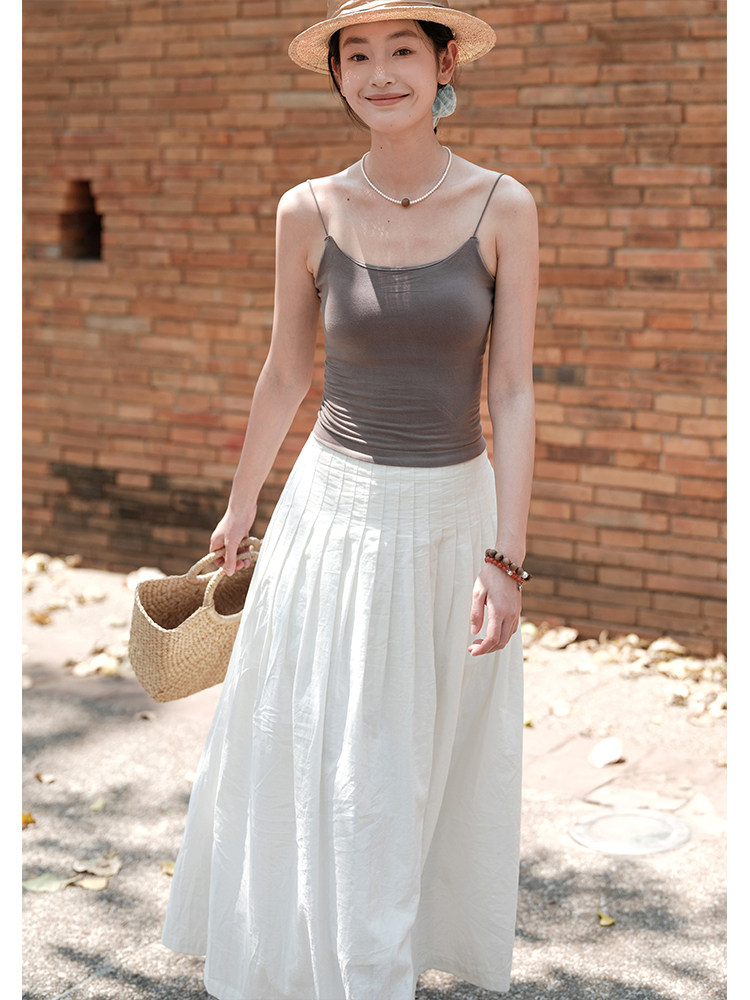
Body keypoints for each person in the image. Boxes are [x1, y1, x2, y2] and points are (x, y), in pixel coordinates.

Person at [161, 1, 538, 997]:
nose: (380, 74)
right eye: (357, 56)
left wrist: (507, 556)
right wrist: (241, 505)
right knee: (327, 753)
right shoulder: (309, 209)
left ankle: (379, 960)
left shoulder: (504, 206)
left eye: (402, 51)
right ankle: (327, 968)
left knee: (414, 762)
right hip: (331, 515)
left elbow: (511, 389)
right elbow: (287, 372)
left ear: (444, 64)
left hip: (453, 517)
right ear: (337, 77)